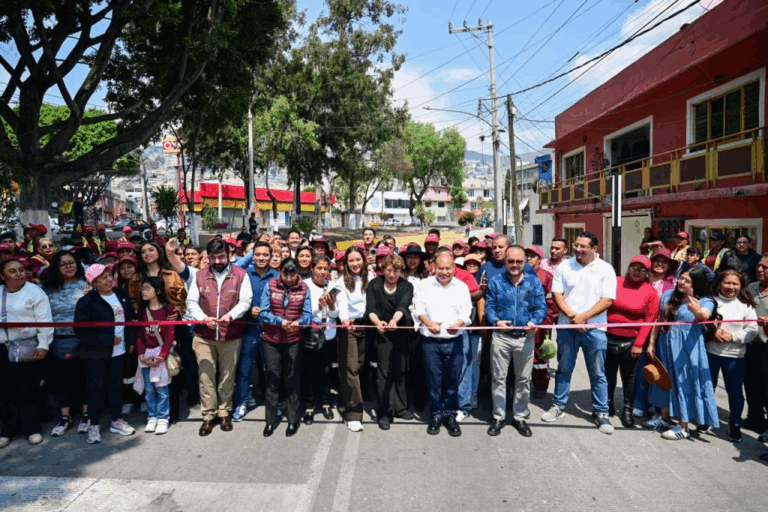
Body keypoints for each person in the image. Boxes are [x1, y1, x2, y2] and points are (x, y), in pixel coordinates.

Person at [543, 232, 617, 434]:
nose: (578, 250)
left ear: (594, 248)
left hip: (595, 329)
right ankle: (558, 405)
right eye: (576, 245)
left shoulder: (605, 269)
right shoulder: (564, 267)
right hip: (568, 328)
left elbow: (607, 299)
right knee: (564, 368)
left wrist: (583, 317)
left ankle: (601, 412)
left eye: (583, 246)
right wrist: (573, 317)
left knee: (598, 372)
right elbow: (557, 294)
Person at [186, 239, 253, 436]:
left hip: (230, 335)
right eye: (213, 257)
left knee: (227, 376)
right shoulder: (199, 276)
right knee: (206, 376)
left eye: (221, 256)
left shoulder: (240, 275)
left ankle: (224, 413)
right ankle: (208, 416)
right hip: (203, 335)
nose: (217, 261)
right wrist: (202, 318)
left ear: (229, 255)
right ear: (207, 257)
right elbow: (191, 302)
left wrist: (231, 315)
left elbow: (245, 300)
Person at [644, 267, 719, 440]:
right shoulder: (669, 294)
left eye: (687, 280)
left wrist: (696, 310)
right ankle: (665, 418)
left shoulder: (705, 300)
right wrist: (652, 343)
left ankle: (683, 425)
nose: (681, 282)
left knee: (683, 382)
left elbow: (704, 315)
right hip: (666, 344)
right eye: (680, 278)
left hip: (687, 348)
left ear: (696, 284)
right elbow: (659, 320)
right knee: (665, 380)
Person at [485, 246, 546, 438]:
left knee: (523, 380)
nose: (514, 265)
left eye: (519, 261)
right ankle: (498, 416)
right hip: (501, 338)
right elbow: (489, 306)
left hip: (524, 338)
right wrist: (496, 321)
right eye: (510, 261)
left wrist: (534, 321)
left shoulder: (533, 282)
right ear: (505, 261)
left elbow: (540, 307)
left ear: (525, 262)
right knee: (499, 379)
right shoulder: (495, 282)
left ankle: (520, 416)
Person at [74, 263, 137, 444]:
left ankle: (116, 420)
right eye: (103, 278)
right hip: (95, 355)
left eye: (110, 275)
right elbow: (81, 331)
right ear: (94, 283)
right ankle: (94, 424)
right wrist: (106, 340)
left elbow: (130, 321)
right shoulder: (86, 302)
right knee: (96, 390)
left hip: (119, 353)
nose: (109, 280)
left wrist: (130, 341)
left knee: (115, 387)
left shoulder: (121, 295)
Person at [413, 252, 472, 437]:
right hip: (431, 341)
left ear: (454, 268)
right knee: (434, 380)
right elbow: (418, 308)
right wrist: (428, 323)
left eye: (448, 268)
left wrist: (459, 324)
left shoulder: (461, 287)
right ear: (434, 268)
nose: (444, 272)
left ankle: (450, 415)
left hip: (454, 340)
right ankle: (436, 414)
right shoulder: (425, 285)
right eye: (440, 268)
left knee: (453, 380)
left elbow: (466, 310)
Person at [0, 259, 53, 448]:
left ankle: (32, 429)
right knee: (6, 391)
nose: (19, 274)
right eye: (12, 271)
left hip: (27, 348)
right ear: (3, 276)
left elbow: (45, 320)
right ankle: (8, 430)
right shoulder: (0, 293)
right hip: (3, 349)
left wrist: (44, 344)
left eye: (21, 270)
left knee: (28, 389)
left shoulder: (34, 292)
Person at [259, 258, 311, 437]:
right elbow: (264, 313)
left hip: (293, 340)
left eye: (292, 274)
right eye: (285, 274)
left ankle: (292, 420)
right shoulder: (270, 285)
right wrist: (280, 321)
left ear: (298, 272)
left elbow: (308, 315)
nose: (289, 278)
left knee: (292, 379)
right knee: (272, 379)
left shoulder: (304, 288)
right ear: (280, 271)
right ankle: (270, 421)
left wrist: (298, 323)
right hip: (271, 340)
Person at [605, 255, 659, 428]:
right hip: (607, 336)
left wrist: (639, 344)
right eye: (634, 268)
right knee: (607, 374)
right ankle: (607, 404)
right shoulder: (615, 281)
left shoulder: (650, 292)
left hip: (632, 341)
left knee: (629, 378)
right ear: (628, 268)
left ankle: (627, 409)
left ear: (647, 273)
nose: (637, 272)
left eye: (643, 270)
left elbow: (649, 319)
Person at [706, 270, 758, 443]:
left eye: (735, 284)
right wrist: (713, 333)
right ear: (720, 283)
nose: (731, 287)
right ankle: (707, 419)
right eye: (727, 282)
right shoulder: (711, 301)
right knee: (707, 388)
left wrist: (733, 337)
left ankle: (735, 424)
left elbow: (752, 330)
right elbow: (702, 323)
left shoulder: (746, 305)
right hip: (711, 352)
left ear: (741, 286)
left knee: (735, 392)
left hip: (735, 356)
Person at [43, 252, 90, 438]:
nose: (68, 266)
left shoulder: (87, 283)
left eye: (71, 262)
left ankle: (87, 415)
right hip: (57, 340)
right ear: (56, 267)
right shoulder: (46, 287)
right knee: (62, 380)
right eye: (63, 264)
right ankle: (65, 417)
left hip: (83, 339)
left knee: (84, 377)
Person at [365, 254, 414, 430]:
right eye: (388, 270)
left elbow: (403, 305)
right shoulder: (374, 285)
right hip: (382, 334)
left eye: (395, 270)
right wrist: (378, 322)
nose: (391, 274)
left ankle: (400, 407)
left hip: (400, 331)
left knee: (401, 369)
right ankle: (384, 412)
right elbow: (370, 308)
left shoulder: (407, 286)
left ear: (401, 271)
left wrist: (395, 320)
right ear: (383, 269)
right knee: (384, 372)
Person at [232, 242, 278, 422]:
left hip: (270, 330)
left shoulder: (277, 276)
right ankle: (241, 403)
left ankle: (273, 405)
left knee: (271, 370)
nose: (261, 258)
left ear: (271, 256)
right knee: (245, 369)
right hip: (248, 328)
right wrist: (248, 309)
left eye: (265, 255)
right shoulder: (243, 275)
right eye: (257, 254)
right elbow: (234, 299)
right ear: (252, 255)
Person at [335, 246, 371, 432]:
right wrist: (345, 320)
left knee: (361, 366)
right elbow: (341, 303)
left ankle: (346, 399)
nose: (355, 264)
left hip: (368, 325)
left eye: (358, 260)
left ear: (363, 260)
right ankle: (353, 413)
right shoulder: (341, 282)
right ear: (346, 263)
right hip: (349, 327)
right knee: (350, 370)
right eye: (351, 261)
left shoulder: (370, 278)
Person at [135, 278, 176, 435]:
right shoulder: (141, 310)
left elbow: (170, 334)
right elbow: (139, 334)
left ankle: (163, 417)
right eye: (142, 288)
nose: (143, 291)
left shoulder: (167, 310)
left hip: (161, 354)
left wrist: (163, 355)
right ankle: (151, 417)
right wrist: (141, 354)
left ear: (158, 291)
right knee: (149, 389)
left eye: (146, 288)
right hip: (146, 354)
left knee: (162, 389)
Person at [302, 255, 338, 425]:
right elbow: (301, 311)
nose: (322, 272)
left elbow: (336, 314)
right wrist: (317, 307)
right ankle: (309, 406)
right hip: (310, 334)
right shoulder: (304, 286)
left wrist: (330, 306)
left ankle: (325, 403)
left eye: (325, 269)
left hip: (328, 334)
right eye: (319, 268)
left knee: (326, 371)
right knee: (309, 371)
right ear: (312, 269)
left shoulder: (332, 286)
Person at [524, 246, 558, 399]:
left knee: (540, 355)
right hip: (523, 322)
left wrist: (547, 321)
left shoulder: (546, 276)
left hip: (541, 323)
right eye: (527, 255)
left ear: (539, 259)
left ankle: (540, 385)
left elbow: (552, 302)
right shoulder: (519, 273)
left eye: (533, 256)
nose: (529, 258)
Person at [747, 254, 768, 442]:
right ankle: (754, 419)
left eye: (765, 267)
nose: (760, 269)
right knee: (751, 384)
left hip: (766, 346)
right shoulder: (752, 288)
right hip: (750, 344)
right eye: (759, 266)